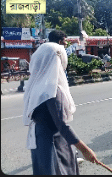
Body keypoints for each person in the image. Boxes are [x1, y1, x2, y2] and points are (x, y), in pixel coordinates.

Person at [23, 30, 99, 175]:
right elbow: (62, 125)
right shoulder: (52, 90)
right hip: (54, 144)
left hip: (39, 141)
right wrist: (85, 150)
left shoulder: (36, 86)